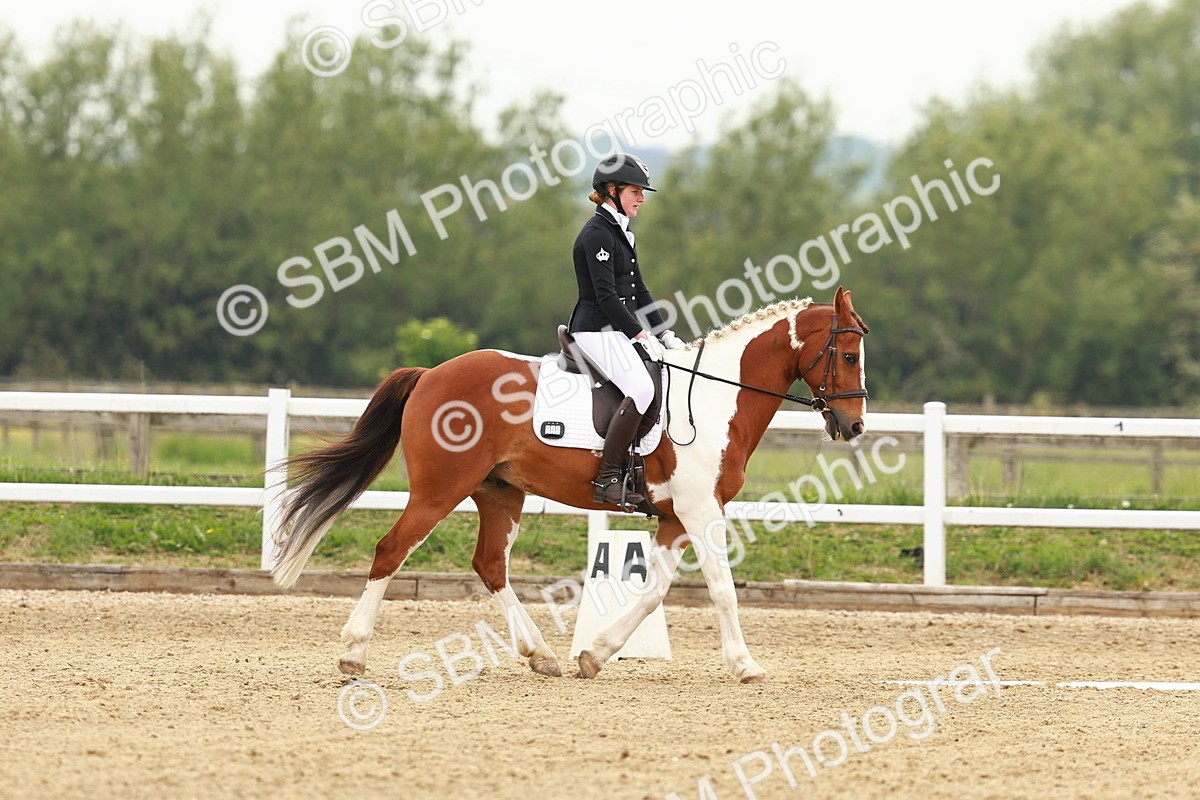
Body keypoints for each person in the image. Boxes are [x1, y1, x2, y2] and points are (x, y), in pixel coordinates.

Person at [566, 153, 686, 509]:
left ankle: (637, 470)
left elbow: (640, 292)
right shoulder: (596, 235)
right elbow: (605, 297)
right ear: (611, 190)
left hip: (615, 331)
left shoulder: (621, 233)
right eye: (636, 191)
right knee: (641, 387)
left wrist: (664, 334)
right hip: (594, 330)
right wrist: (638, 335)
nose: (642, 198)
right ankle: (608, 477)